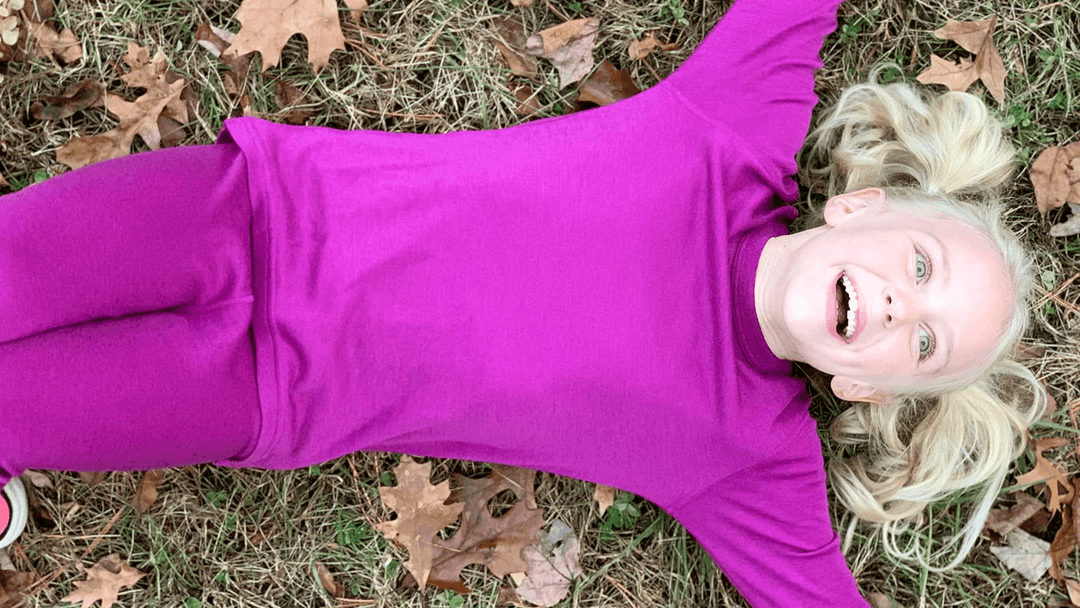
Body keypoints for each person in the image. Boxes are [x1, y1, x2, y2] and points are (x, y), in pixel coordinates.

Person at [0, 0, 1044, 604]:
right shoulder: (728, 127)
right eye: (919, 265)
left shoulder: (749, 457)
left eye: (924, 339)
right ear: (859, 204)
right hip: (246, 207)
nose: (903, 307)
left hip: (259, 392)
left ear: (865, 380)